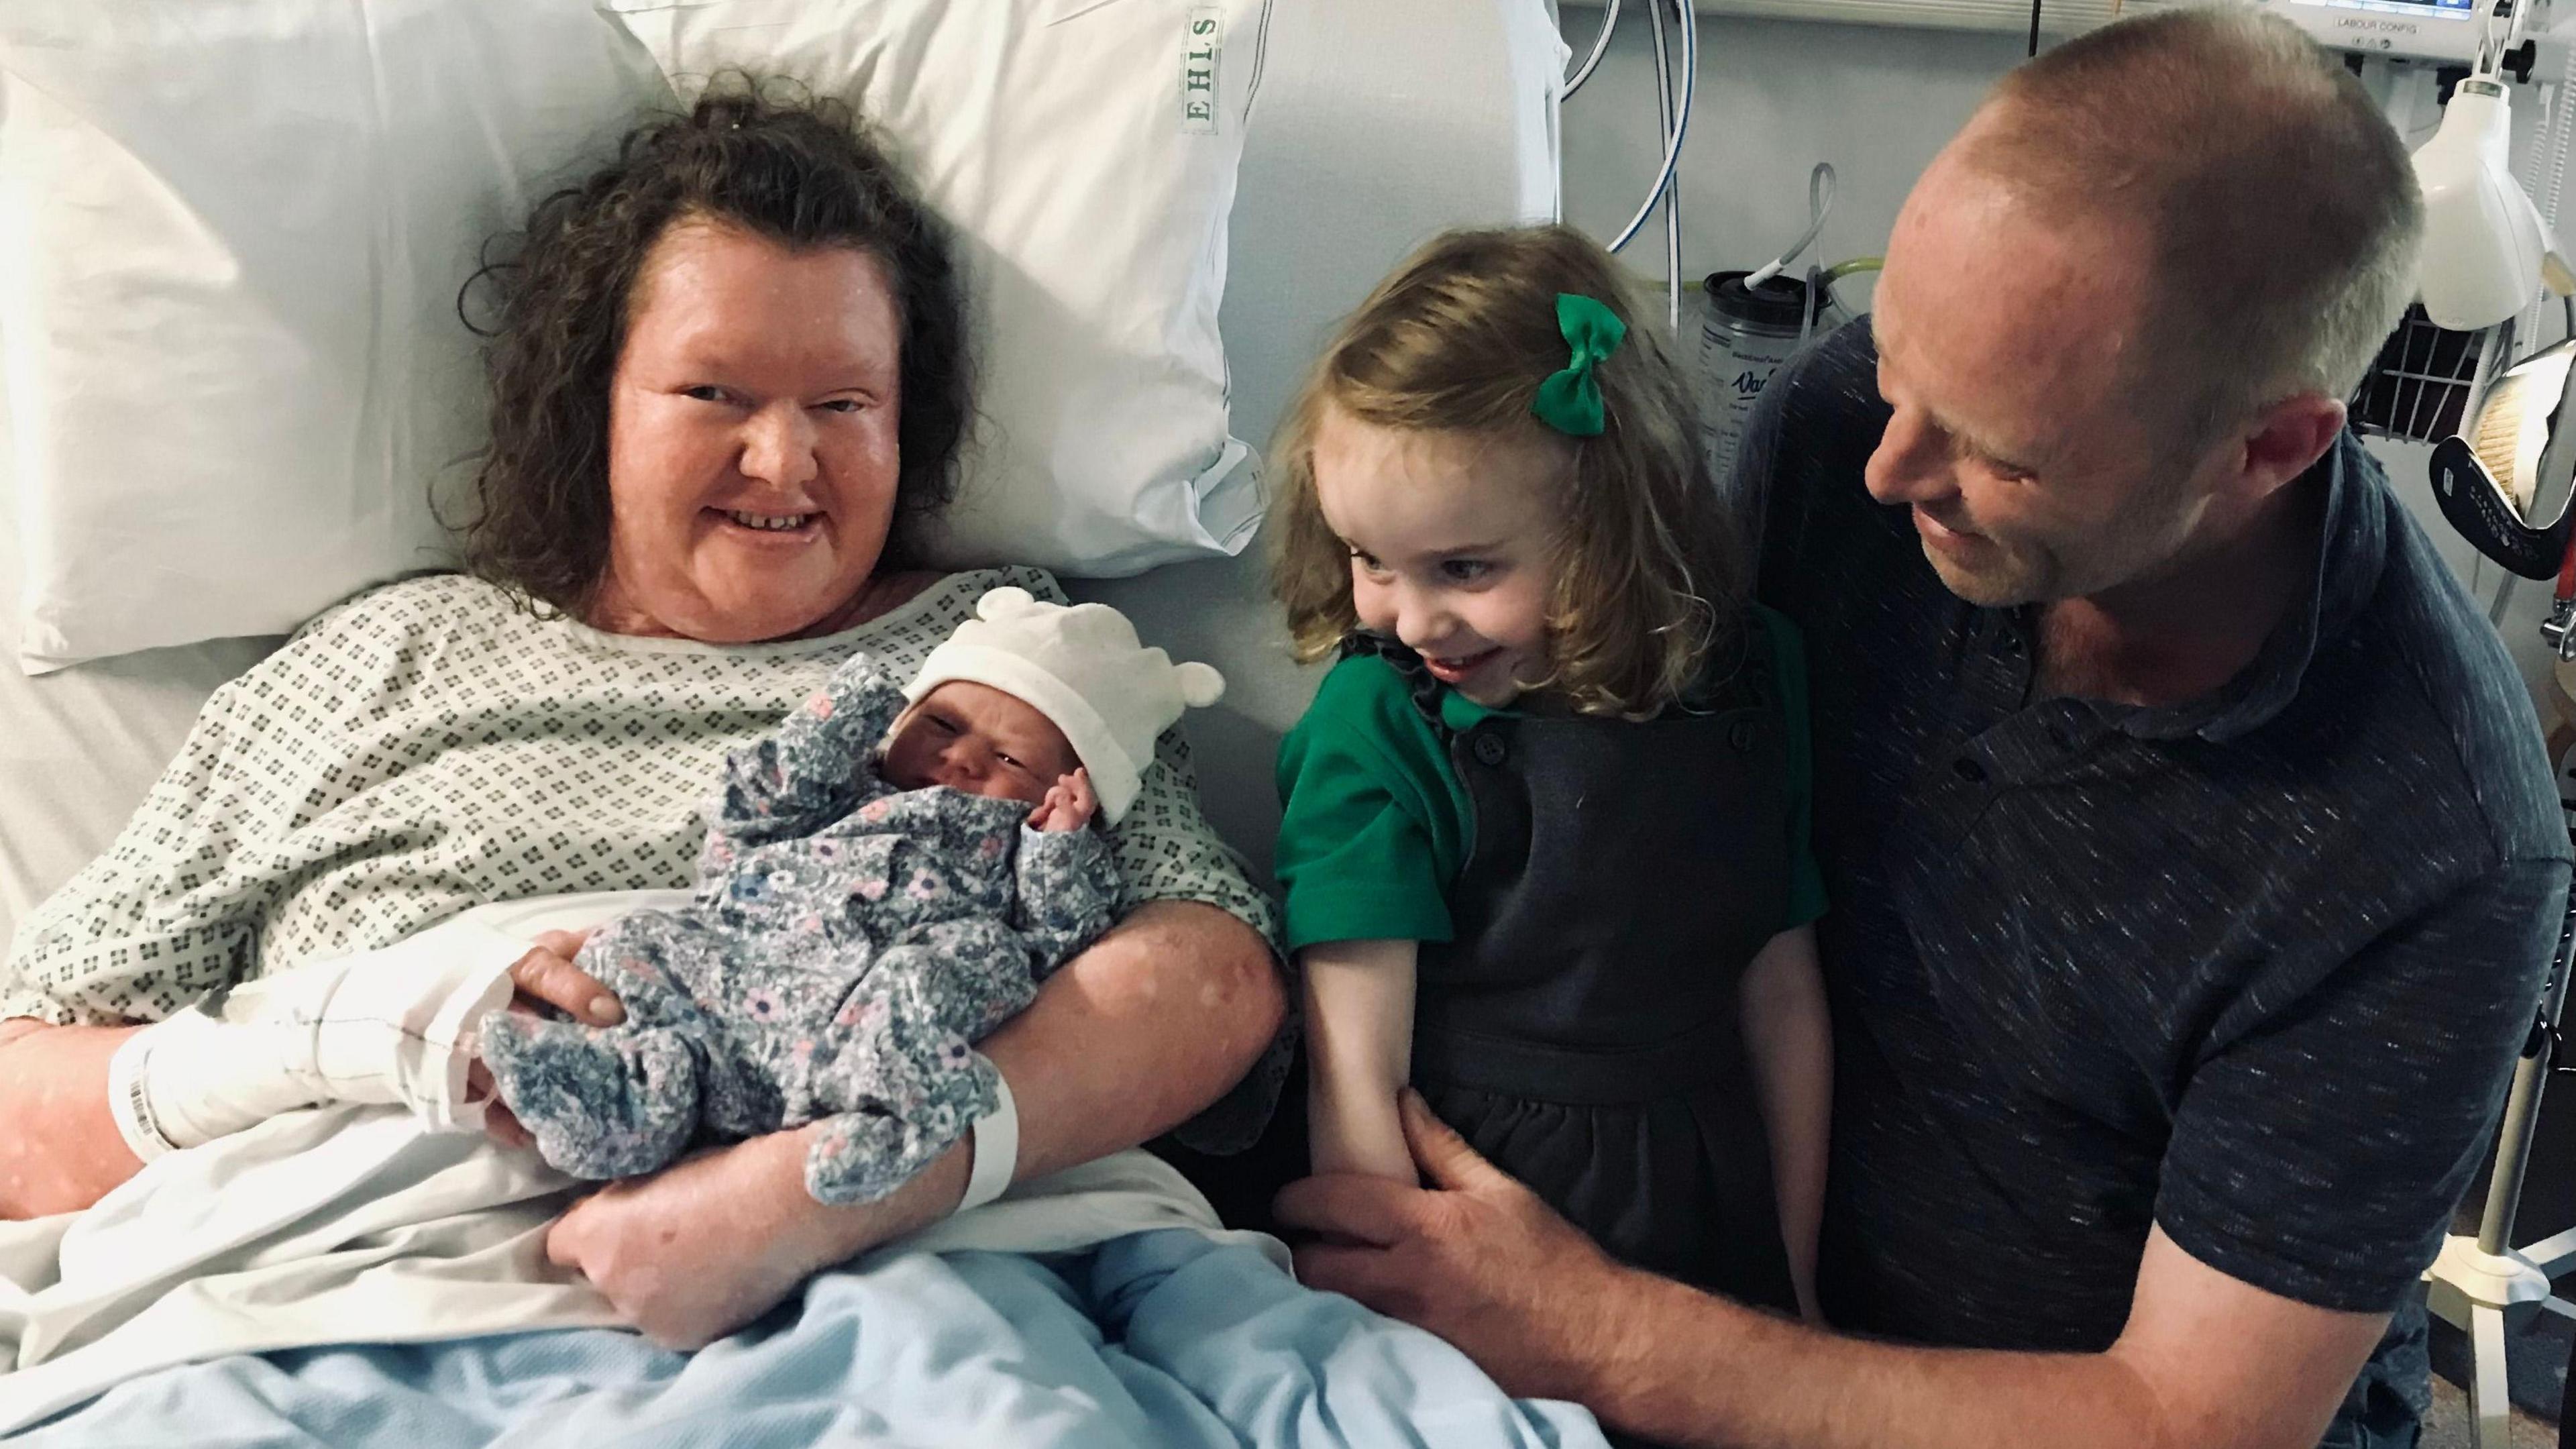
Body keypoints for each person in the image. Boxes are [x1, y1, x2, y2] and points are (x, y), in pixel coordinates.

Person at [1275, 12, 2571, 1449]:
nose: (1892, 471)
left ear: (2268, 449)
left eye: (2003, 452)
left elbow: (2192, 1421)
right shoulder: (1852, 436)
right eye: (1895, 370)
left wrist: (1605, 1332)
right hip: (1724, 1278)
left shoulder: (2432, 837)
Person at [0, 84, 1285, 1352]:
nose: (784, 463)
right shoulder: (376, 664)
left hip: (921, 1303)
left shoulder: (1007, 656)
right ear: (593, 404)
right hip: (353, 1310)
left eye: (845, 404)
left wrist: (812, 1197)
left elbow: (1213, 976)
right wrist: (350, 1032)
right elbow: (18, 1107)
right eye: (713, 394)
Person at [1266, 225, 1833, 1324]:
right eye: (1369, 558)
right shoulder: (1380, 719)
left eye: (1465, 569)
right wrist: (1397, 1331)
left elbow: (1782, 989)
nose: (1407, 614)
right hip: (1466, 1200)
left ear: (1613, 527)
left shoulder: (1755, 675)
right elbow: (1353, 1066)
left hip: (1705, 1192)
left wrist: (1800, 1278)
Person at [480, 588, 1223, 1202]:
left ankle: (890, 1117)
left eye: (1007, 758)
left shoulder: (1023, 848)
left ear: (1066, 790)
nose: (959, 758)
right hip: (744, 976)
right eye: (938, 723)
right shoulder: (841, 794)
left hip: (861, 1015)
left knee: (958, 965)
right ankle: (613, 1102)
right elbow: (746, 818)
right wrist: (840, 720)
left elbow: (1064, 935)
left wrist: (1059, 847)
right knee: (632, 943)